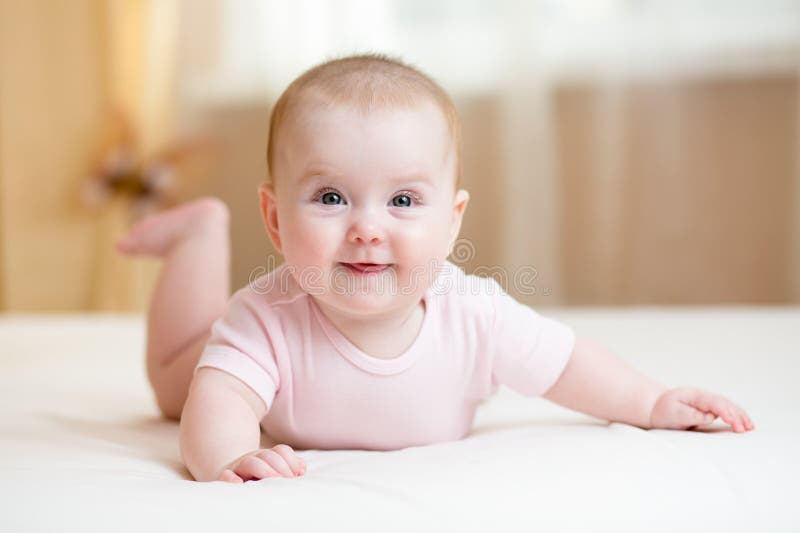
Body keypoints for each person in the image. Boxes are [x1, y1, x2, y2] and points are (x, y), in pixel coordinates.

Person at [117, 54, 754, 484]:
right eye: (332, 198)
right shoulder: (264, 315)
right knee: (178, 388)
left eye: (402, 201)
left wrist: (651, 400)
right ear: (276, 218)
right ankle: (199, 237)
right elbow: (222, 404)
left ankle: (200, 233)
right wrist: (231, 455)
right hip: (215, 364)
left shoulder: (473, 314)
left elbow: (566, 364)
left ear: (451, 222)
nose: (368, 228)